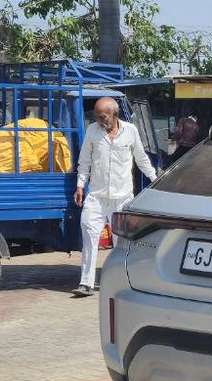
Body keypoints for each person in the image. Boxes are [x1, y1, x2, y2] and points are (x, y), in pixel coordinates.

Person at [72, 97, 158, 297]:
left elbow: (141, 158)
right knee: (90, 238)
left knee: (123, 244)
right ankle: (86, 283)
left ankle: (122, 281)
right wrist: (80, 186)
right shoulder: (92, 131)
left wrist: (155, 179)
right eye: (97, 116)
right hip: (96, 197)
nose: (100, 120)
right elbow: (84, 161)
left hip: (122, 198)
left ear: (114, 114)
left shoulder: (131, 131)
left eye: (103, 116)